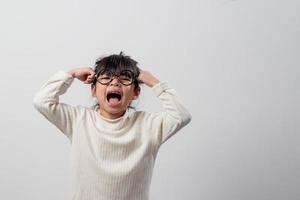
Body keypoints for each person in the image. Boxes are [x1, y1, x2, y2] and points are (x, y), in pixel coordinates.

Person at [33, 52, 192, 200]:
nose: (115, 82)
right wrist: (71, 74)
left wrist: (155, 83)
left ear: (136, 92)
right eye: (107, 77)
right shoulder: (78, 120)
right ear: (94, 90)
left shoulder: (148, 126)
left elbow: (182, 115)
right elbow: (42, 101)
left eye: (124, 78)